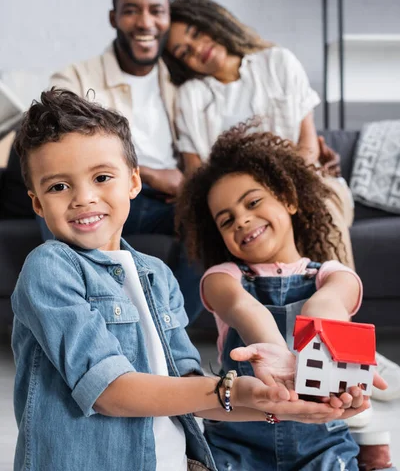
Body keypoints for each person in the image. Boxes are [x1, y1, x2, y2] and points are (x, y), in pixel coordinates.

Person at [11, 90, 365, 471]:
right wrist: (233, 388)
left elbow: (191, 391)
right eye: (58, 186)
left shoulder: (157, 276)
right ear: (37, 203)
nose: (83, 198)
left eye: (101, 177)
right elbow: (109, 391)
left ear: (133, 182)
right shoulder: (50, 267)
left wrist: (281, 405)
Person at [176, 122, 393, 471]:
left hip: (320, 437)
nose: (242, 221)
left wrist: (315, 325)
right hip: (237, 438)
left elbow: (330, 302)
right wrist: (275, 350)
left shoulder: (332, 274)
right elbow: (243, 308)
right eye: (227, 220)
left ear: (289, 200)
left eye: (253, 202)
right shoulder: (223, 278)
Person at [49, 0, 202, 323]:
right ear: (113, 18)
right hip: (101, 190)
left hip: (166, 202)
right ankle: (87, 330)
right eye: (132, 10)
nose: (145, 21)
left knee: (208, 222)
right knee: (61, 202)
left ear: (168, 18)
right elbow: (63, 147)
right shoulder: (74, 78)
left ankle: (164, 330)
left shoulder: (184, 82)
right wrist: (149, 173)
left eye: (156, 10)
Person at [165, 0, 354, 268]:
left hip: (300, 181)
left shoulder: (278, 62)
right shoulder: (189, 97)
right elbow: (197, 172)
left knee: (322, 206)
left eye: (196, 33)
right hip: (238, 203)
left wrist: (280, 192)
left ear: (214, 20)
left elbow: (308, 145)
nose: (196, 48)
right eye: (184, 52)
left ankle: (337, 305)